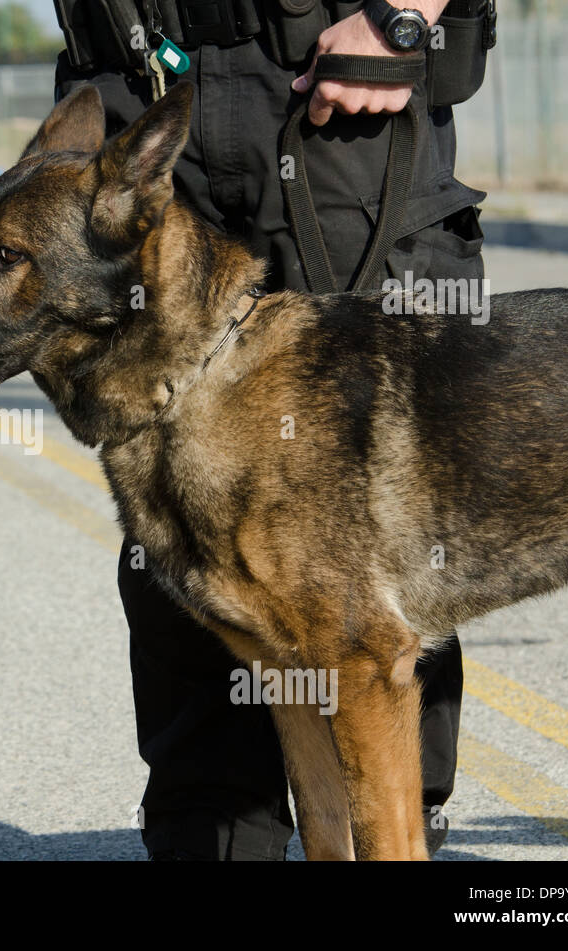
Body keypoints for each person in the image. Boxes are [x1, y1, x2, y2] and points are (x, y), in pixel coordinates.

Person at [50, 0, 494, 859]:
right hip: (132, 90)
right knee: (173, 503)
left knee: (378, 538)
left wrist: (401, 18)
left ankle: (391, 841)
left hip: (327, 91)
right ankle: (223, 842)